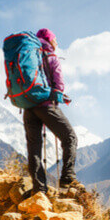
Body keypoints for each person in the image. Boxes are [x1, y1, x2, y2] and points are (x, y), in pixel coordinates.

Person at [23, 28, 78, 194]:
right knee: (70, 138)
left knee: (34, 148)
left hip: (28, 106)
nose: (57, 43)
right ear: (50, 39)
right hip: (46, 106)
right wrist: (60, 97)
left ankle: (39, 188)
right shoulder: (50, 56)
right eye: (55, 39)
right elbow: (59, 84)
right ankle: (67, 178)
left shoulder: (28, 56)